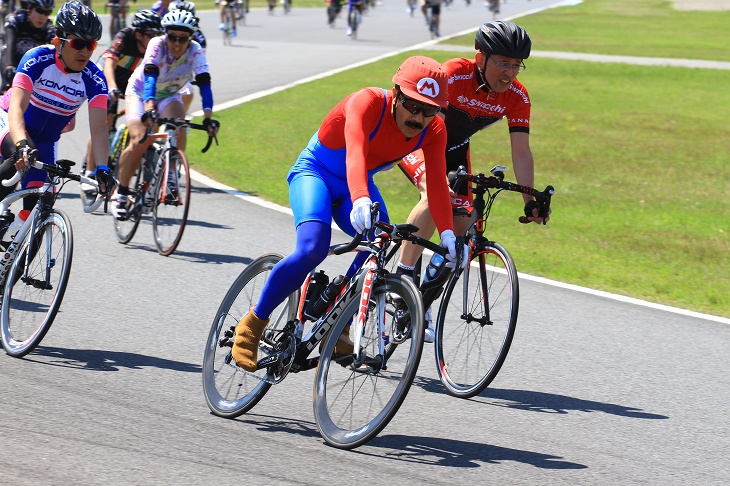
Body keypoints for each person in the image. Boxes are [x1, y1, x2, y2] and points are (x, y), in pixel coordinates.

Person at [230, 56, 461, 372]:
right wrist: (362, 198)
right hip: (317, 173)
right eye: (413, 105)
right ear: (396, 94)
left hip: (358, 184)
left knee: (382, 243)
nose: (419, 117)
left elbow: (436, 182)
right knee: (313, 247)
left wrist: (447, 233)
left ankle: (340, 323)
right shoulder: (366, 102)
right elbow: (355, 152)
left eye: (430, 110)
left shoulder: (434, 129)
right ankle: (253, 324)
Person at [397, 20, 549, 341]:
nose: (509, 72)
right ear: (480, 58)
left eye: (515, 65)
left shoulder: (517, 97)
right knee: (435, 195)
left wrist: (529, 199)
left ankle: (420, 303)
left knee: (464, 222)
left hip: (453, 150)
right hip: (415, 141)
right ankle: (402, 282)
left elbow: (521, 151)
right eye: (502, 63)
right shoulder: (453, 74)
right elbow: (425, 125)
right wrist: (441, 177)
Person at [0, 1, 109, 210]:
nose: (85, 52)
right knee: (21, 153)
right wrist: (22, 143)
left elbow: (99, 129)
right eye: (78, 44)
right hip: (9, 123)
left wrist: (103, 168)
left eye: (91, 45)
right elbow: (16, 108)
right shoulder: (37, 58)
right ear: (59, 41)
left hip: (45, 143)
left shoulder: (95, 78)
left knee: (41, 208)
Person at [112, 8, 218, 220]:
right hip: (141, 93)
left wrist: (208, 118)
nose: (177, 43)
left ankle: (170, 177)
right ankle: (121, 193)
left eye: (183, 38)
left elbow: (204, 83)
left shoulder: (195, 50)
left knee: (179, 124)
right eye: (172, 37)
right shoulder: (157, 44)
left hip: (169, 94)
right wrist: (149, 106)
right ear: (165, 34)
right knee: (139, 140)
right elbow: (150, 75)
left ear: (191, 38)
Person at [80, 8, 163, 197]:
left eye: (158, 35)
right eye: (151, 35)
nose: (155, 38)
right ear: (139, 34)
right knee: (104, 122)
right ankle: (89, 172)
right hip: (107, 76)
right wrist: (111, 87)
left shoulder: (154, 47)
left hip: (129, 81)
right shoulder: (125, 36)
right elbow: (109, 63)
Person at [0, 0, 55, 93]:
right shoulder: (16, 19)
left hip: (32, 65)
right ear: (29, 9)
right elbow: (10, 43)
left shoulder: (48, 28)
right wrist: (9, 67)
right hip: (13, 58)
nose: (43, 16)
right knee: (9, 80)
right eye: (39, 11)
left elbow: (55, 50)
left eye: (47, 12)